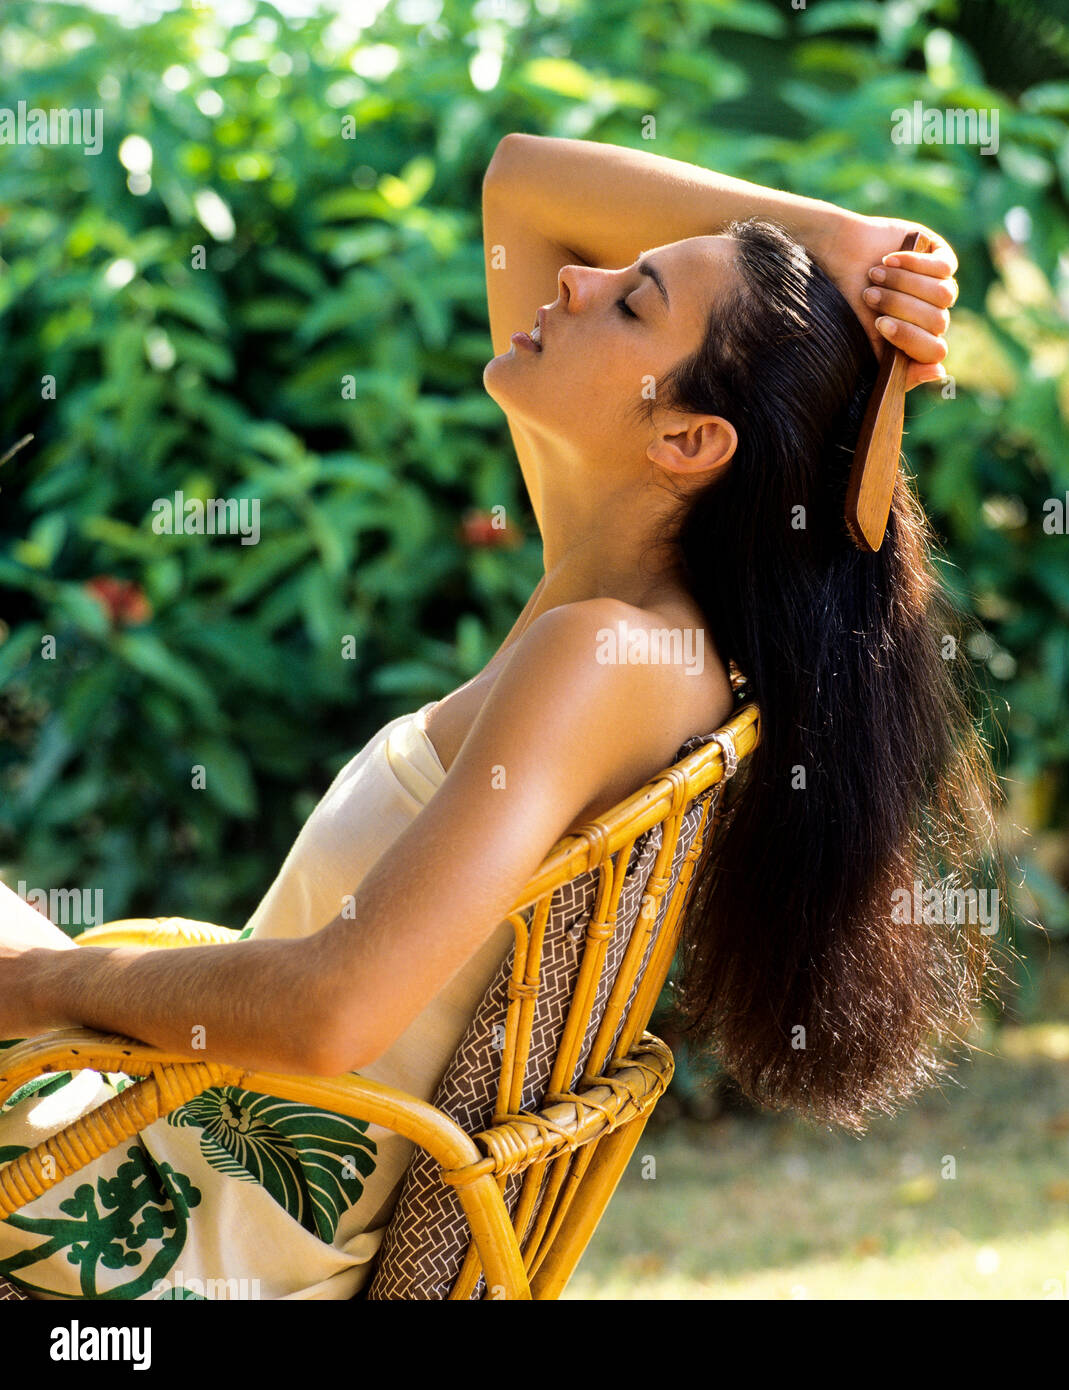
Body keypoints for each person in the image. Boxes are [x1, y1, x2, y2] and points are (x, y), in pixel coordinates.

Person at [0, 133, 994, 1299]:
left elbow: (332, 1011)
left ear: (686, 438)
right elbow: (524, 186)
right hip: (170, 1150)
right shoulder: (631, 590)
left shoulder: (603, 651)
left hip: (160, 1227)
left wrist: (47, 985)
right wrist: (837, 241)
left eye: (631, 304)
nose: (575, 278)